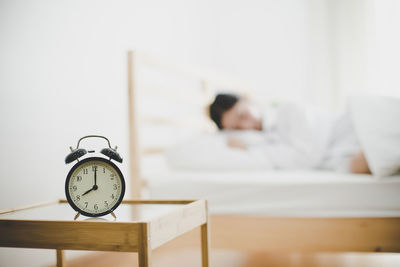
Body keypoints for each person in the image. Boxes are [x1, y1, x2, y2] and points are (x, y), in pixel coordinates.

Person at [209, 93, 371, 174]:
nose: (245, 126)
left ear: (247, 100)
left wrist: (250, 149)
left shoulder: (288, 110)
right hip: (348, 155)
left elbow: (307, 157)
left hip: (358, 130)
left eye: (242, 115)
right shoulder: (263, 140)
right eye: (237, 128)